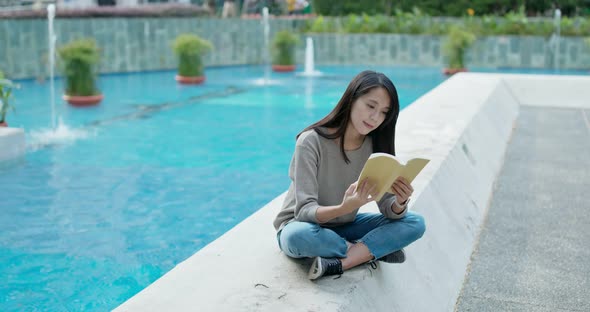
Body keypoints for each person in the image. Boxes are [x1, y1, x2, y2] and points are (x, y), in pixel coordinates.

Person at [273, 70, 426, 280]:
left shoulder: (375, 146)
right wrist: (345, 207)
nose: (375, 117)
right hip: (303, 225)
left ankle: (341, 262)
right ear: (352, 99)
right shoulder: (311, 142)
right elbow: (305, 211)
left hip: (346, 227)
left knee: (415, 222)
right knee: (298, 237)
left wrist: (399, 201)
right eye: (371, 106)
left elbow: (388, 210)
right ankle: (368, 251)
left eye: (384, 112)